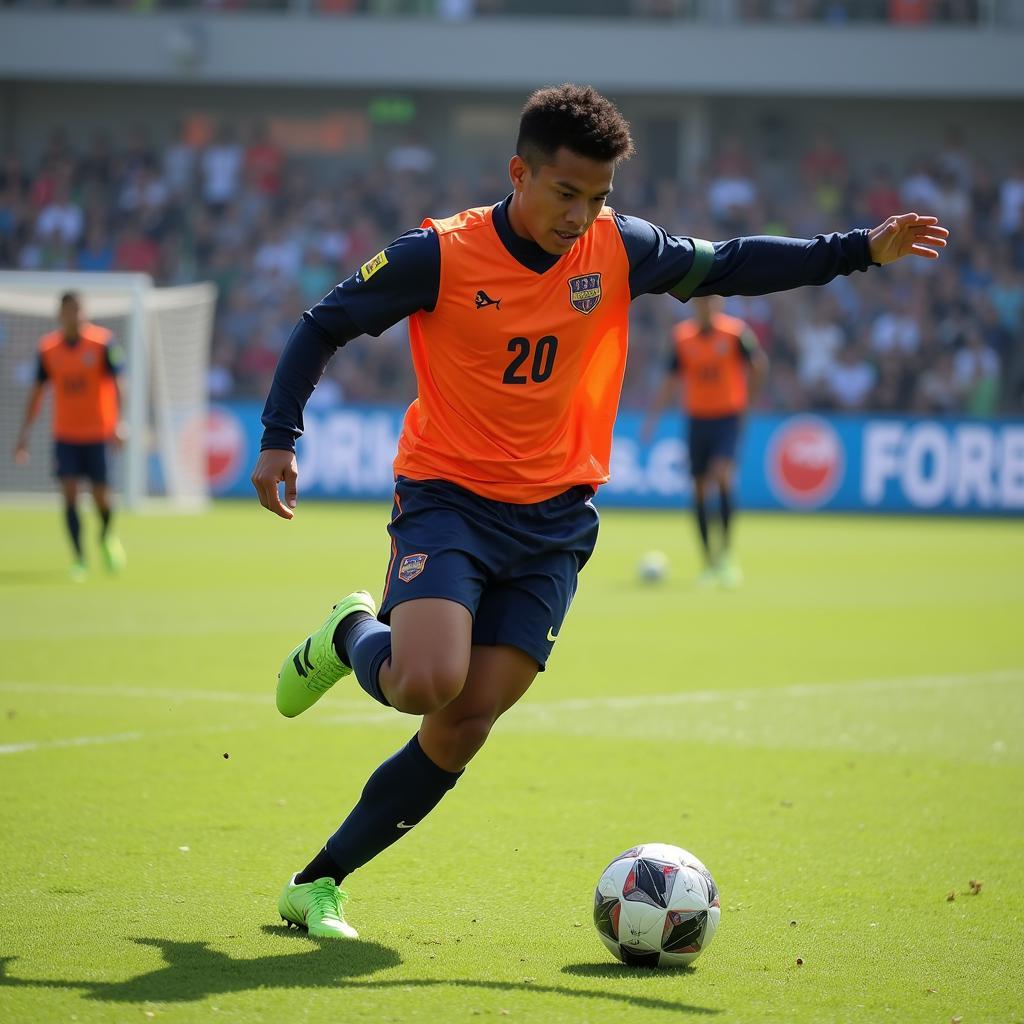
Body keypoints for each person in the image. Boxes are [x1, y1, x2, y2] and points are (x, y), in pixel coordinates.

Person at [250, 84, 948, 939]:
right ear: (520, 173)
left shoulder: (621, 249)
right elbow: (321, 325)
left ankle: (317, 882)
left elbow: (730, 263)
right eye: (566, 193)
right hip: (450, 499)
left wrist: (860, 251)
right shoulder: (439, 254)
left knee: (464, 722)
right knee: (426, 680)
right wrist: (280, 434)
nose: (583, 215)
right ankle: (351, 633)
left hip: (554, 520)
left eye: (601, 197)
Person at [642, 295, 767, 587]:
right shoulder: (682, 337)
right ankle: (708, 560)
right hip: (697, 420)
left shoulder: (736, 334)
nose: (706, 308)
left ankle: (725, 554)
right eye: (701, 303)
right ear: (694, 306)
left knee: (723, 476)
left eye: (711, 303)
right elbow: (671, 380)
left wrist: (748, 401)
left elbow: (759, 364)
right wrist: (652, 419)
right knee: (699, 490)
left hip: (727, 418)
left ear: (719, 305)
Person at [13, 292, 127, 580]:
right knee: (70, 494)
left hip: (98, 432)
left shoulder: (102, 343)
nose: (75, 315)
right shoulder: (48, 349)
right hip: (65, 434)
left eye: (79, 310)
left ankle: (105, 537)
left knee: (102, 496)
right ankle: (79, 558)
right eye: (69, 310)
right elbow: (37, 392)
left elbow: (118, 383)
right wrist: (24, 434)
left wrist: (119, 422)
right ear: (60, 314)